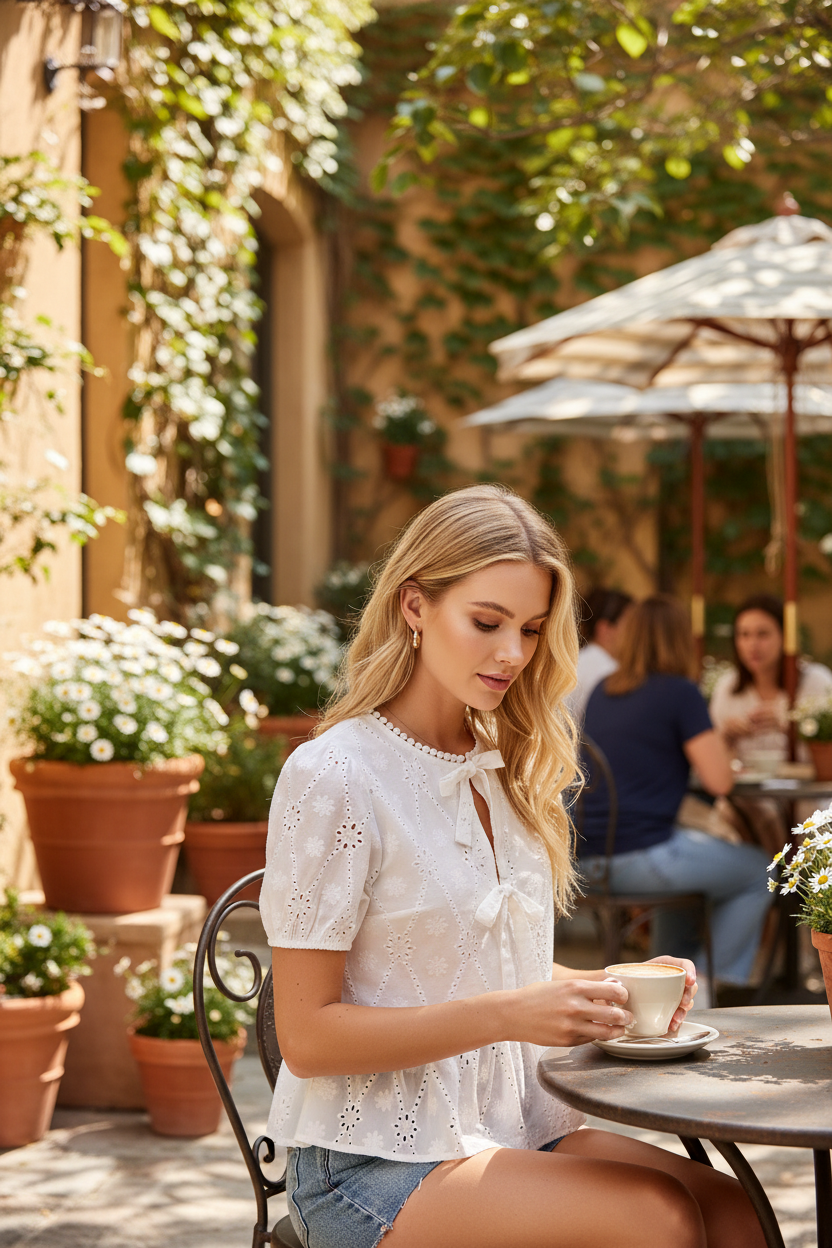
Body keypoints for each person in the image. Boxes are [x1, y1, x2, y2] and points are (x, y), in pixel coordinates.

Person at [261, 487, 763, 1248]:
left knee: (733, 1211)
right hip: (371, 1162)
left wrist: (603, 987)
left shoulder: (502, 764)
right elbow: (307, 1036)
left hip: (514, 1123)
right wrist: (508, 1016)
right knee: (655, 1222)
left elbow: (479, 964)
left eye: (530, 630)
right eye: (487, 622)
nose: (513, 654)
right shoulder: (335, 775)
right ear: (414, 607)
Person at [581, 594, 773, 990]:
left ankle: (668, 985)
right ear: (680, 640)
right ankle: (704, 991)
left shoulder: (603, 690)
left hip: (587, 861)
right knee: (760, 870)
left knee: (691, 870)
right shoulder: (680, 693)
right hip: (642, 858)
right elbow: (720, 781)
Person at [710, 593, 832, 769]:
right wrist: (726, 738)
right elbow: (710, 769)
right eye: (744, 634)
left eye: (763, 634)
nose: (752, 645)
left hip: (807, 795)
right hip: (744, 796)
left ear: (785, 637)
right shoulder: (727, 688)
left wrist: (792, 727)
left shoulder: (817, 682)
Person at [566, 587, 633, 720]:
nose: (635, 634)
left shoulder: (575, 661)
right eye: (630, 626)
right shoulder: (610, 672)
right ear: (605, 629)